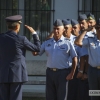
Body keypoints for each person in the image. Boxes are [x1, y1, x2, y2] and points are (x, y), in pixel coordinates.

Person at [33, 19, 77, 100]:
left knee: (61, 97)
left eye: (58, 29)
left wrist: (72, 73)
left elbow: (75, 58)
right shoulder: (48, 42)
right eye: (54, 29)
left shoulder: (67, 42)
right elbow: (36, 53)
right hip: (50, 73)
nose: (56, 31)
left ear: (63, 30)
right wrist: (34, 37)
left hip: (62, 73)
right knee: (50, 97)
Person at [0, 15, 41, 100]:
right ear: (17, 26)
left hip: (3, 74)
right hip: (16, 75)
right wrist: (34, 33)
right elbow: (37, 48)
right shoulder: (21, 39)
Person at [75, 18, 100, 100]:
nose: (99, 30)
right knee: (94, 94)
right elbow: (77, 42)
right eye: (98, 28)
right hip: (93, 71)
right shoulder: (90, 39)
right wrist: (86, 30)